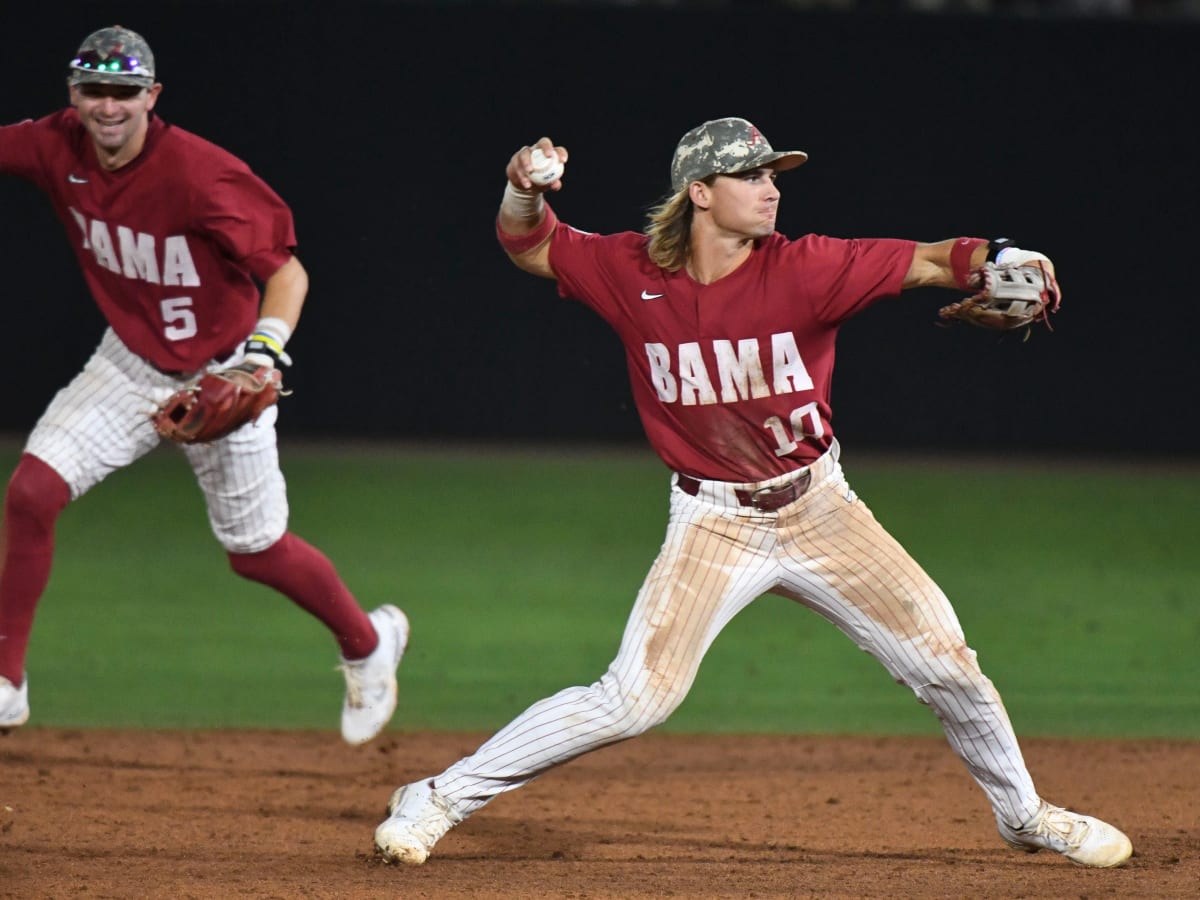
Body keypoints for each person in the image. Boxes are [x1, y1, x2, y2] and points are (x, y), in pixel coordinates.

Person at [373, 117, 1133, 867]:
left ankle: (1024, 815)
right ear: (699, 192)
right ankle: (436, 797)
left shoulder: (808, 266)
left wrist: (1004, 253)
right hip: (712, 521)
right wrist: (521, 190)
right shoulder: (632, 270)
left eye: (774, 175)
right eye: (753, 175)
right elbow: (531, 245)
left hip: (819, 508)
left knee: (947, 664)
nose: (771, 190)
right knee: (633, 700)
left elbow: (934, 261)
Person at [0, 26, 408, 745]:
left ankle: (368, 644)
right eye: (93, 90)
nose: (108, 106)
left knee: (255, 552)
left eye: (125, 91)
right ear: (72, 95)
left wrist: (258, 361)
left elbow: (287, 273)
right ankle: (6, 685)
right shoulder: (51, 145)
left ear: (151, 96)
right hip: (127, 364)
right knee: (32, 491)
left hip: (223, 371)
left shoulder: (198, 172)